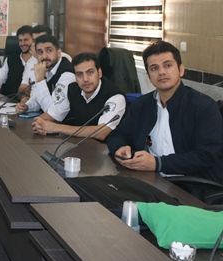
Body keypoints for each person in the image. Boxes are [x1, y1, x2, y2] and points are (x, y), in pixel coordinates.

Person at [106, 41, 223, 183]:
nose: (161, 72)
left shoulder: (204, 107)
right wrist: (119, 148)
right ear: (149, 77)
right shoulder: (141, 105)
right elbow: (117, 135)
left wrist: (158, 163)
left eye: (167, 65)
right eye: (154, 68)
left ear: (181, 70)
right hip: (150, 179)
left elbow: (207, 156)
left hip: (194, 186)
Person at [32, 52, 126, 140]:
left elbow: (100, 132)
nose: (85, 79)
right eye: (79, 74)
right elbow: (52, 115)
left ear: (99, 73)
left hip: (106, 149)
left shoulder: (115, 96)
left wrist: (55, 127)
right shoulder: (72, 89)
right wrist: (39, 123)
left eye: (90, 72)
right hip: (78, 144)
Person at [16, 35, 75, 119]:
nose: (44, 56)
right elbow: (39, 97)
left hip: (67, 124)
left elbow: (52, 113)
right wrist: (27, 106)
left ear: (58, 52)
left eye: (49, 50)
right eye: (40, 52)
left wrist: (40, 79)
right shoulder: (49, 68)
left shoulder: (67, 75)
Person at [0, 25, 37, 96]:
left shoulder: (37, 60)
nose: (22, 43)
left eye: (26, 40)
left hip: (27, 100)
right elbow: (1, 77)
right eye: (20, 40)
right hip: (7, 98)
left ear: (33, 41)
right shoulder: (10, 59)